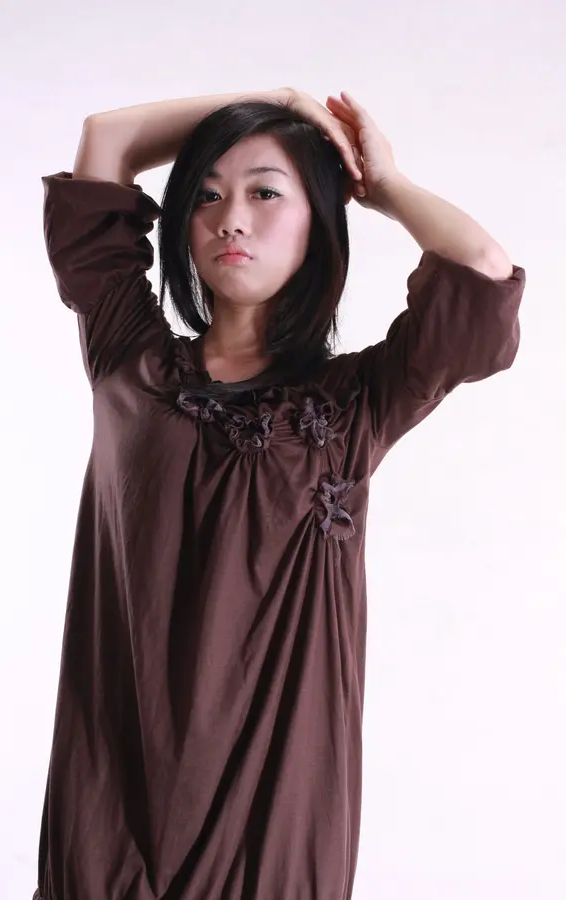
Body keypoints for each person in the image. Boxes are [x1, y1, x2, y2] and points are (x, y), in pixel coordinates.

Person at [34, 87, 525, 900]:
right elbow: (105, 138)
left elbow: (483, 273)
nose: (231, 219)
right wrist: (276, 100)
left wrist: (383, 183)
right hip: (114, 802)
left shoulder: (355, 404)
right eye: (206, 196)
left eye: (266, 193)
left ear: (318, 223)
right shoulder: (128, 355)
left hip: (275, 809)